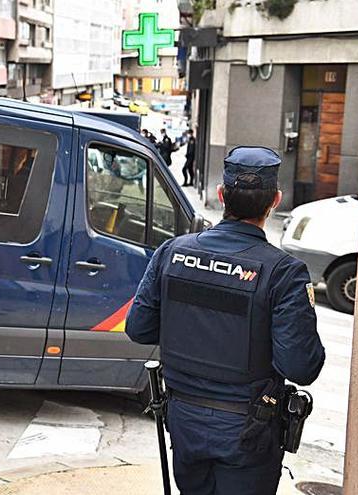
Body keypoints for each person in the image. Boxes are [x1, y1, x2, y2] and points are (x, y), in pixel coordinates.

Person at [125, 147, 325, 495]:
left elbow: (138, 328)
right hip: (248, 434)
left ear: (221, 195)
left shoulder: (172, 253)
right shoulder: (283, 273)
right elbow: (301, 366)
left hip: (185, 423)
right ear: (275, 200)